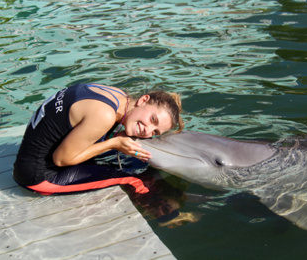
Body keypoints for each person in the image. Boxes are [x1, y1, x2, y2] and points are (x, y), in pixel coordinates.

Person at [13, 83, 184, 195]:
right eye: (153, 120)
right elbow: (61, 159)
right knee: (135, 179)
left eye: (155, 132)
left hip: (31, 155)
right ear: (144, 100)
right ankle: (165, 215)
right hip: (39, 177)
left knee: (128, 157)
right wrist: (113, 143)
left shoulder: (115, 95)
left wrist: (115, 138)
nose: (147, 131)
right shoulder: (105, 116)